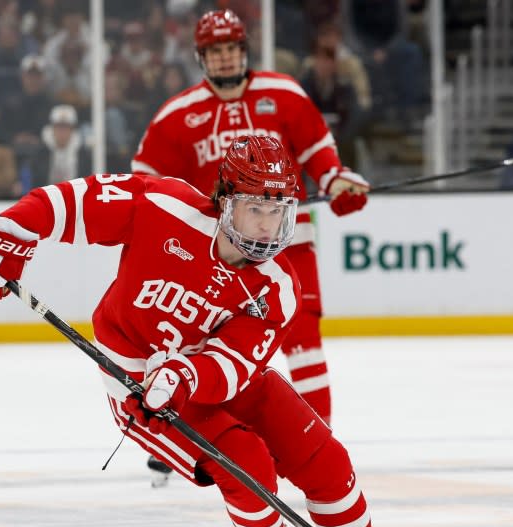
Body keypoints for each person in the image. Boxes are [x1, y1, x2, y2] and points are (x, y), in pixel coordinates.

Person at [0, 135, 433, 527]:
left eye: (278, 212)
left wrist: (186, 374)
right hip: (139, 387)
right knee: (247, 461)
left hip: (205, 379)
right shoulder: (163, 207)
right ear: (226, 201)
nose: (268, 228)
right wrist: (12, 231)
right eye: (256, 210)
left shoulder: (277, 286)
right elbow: (71, 201)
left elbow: (233, 362)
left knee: (322, 456)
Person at [131, 9, 370, 486]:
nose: (225, 59)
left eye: (232, 49)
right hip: (216, 252)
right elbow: (146, 183)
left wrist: (336, 179)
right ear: (202, 58)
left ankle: (316, 441)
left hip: (289, 239)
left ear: (244, 51)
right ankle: (183, 439)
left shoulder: (282, 94)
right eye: (216, 51)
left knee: (303, 342)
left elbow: (317, 151)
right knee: (199, 346)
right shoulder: (177, 114)